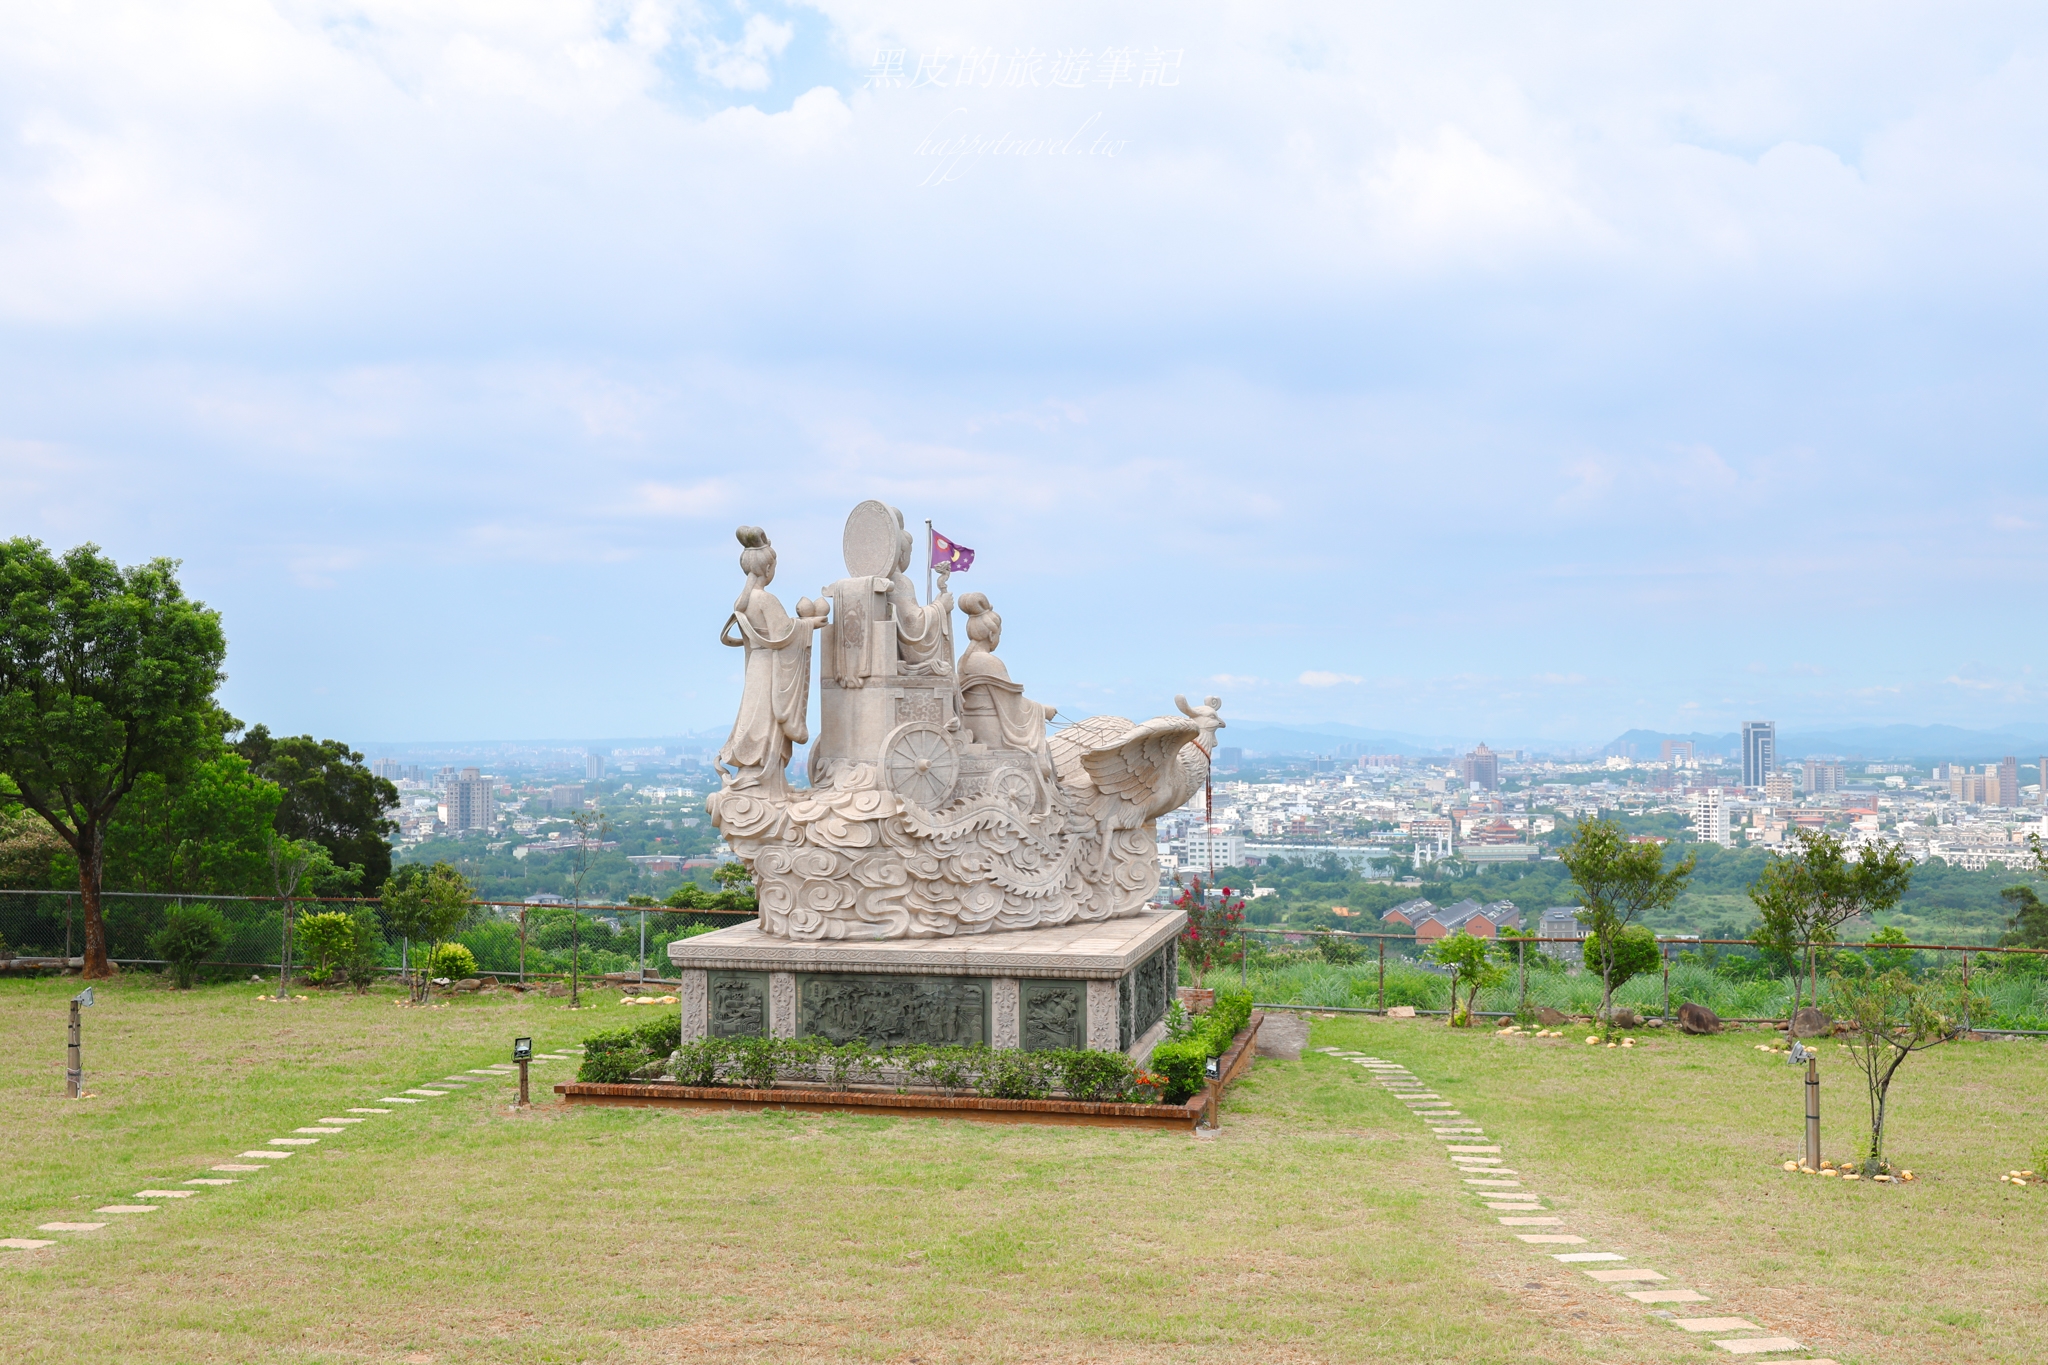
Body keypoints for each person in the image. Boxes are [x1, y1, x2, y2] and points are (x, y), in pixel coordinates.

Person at [716, 527, 826, 793]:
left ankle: (755, 774)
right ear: (768, 568)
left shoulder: (743, 601)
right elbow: (784, 635)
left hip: (757, 665)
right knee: (765, 721)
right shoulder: (765, 599)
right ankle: (767, 781)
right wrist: (809, 624)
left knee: (754, 717)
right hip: (769, 668)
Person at [956, 593, 1055, 766]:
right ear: (992, 635)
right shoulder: (989, 662)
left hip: (971, 725)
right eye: (999, 634)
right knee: (1042, 748)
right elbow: (1011, 703)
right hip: (991, 732)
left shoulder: (964, 660)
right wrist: (1042, 710)